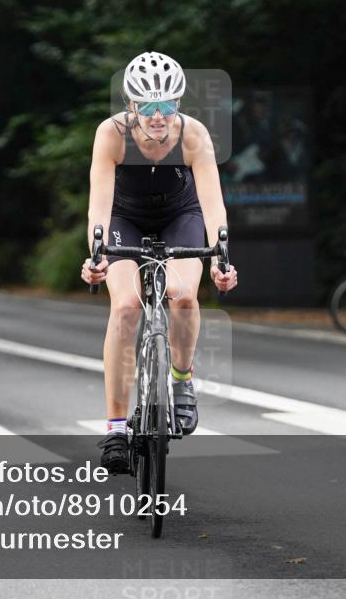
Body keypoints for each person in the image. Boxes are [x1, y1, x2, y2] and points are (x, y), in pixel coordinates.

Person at [80, 52, 238, 473]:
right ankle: (115, 428)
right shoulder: (110, 134)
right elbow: (99, 203)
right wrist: (96, 254)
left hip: (179, 215)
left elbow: (212, 206)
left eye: (167, 105)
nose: (157, 116)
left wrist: (222, 258)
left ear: (178, 104)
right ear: (131, 106)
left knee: (184, 295)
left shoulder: (194, 136)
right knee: (127, 307)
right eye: (148, 107)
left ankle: (182, 383)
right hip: (124, 218)